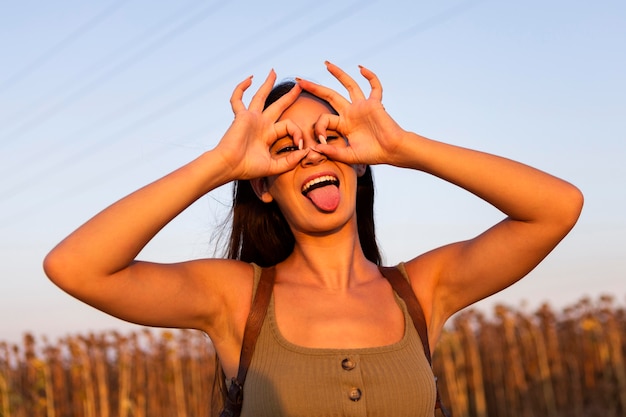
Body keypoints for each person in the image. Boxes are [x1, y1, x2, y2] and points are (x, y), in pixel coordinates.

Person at [43, 62, 583, 417]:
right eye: (286, 145)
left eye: (331, 138)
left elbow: (556, 208)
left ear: (360, 163)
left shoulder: (422, 289)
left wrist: (404, 147)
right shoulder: (236, 298)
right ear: (265, 185)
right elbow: (76, 267)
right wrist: (220, 164)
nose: (313, 154)